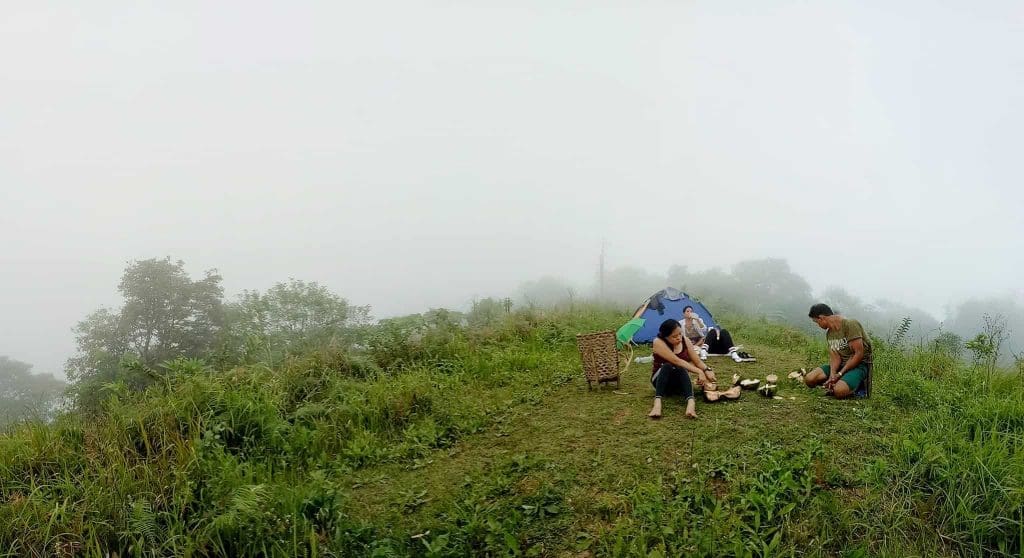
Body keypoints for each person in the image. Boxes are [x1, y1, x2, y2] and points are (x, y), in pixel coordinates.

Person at [648, 319, 717, 419]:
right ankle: (657, 402)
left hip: (678, 383)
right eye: (674, 336)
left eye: (680, 334)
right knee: (668, 365)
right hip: (660, 380)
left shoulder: (685, 341)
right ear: (665, 337)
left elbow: (697, 361)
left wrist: (707, 370)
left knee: (681, 368)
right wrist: (698, 371)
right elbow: (676, 361)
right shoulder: (658, 342)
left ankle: (691, 402)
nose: (679, 338)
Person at [803, 303, 873, 399]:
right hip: (841, 366)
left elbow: (858, 354)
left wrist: (840, 374)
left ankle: (858, 386)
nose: (818, 325)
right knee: (809, 379)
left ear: (821, 318)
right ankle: (839, 382)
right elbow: (835, 356)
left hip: (858, 365)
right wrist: (833, 374)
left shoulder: (850, 324)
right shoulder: (829, 334)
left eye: (816, 322)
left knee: (839, 391)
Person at [682, 306, 748, 362]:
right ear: (684, 314)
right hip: (705, 347)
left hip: (708, 344)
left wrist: (698, 320)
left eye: (691, 311)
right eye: (687, 311)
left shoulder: (698, 320)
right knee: (713, 331)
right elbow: (681, 337)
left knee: (720, 331)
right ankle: (704, 351)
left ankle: (733, 353)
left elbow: (704, 330)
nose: (690, 313)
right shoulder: (680, 323)